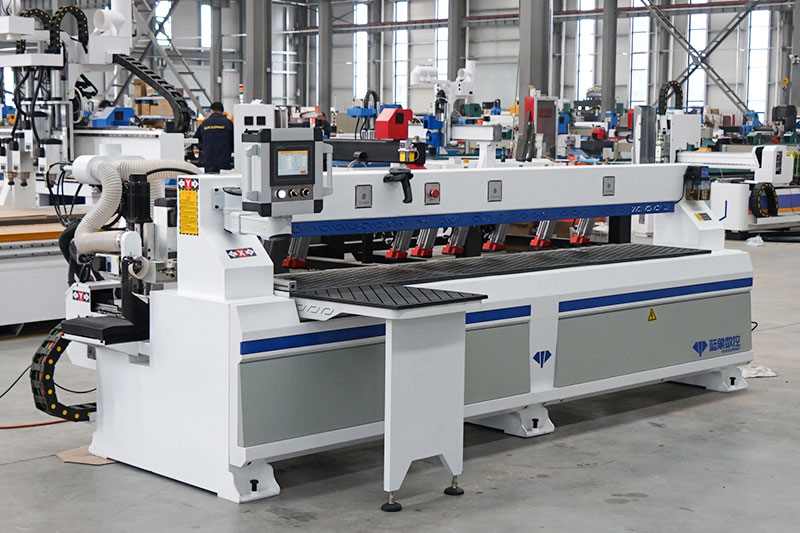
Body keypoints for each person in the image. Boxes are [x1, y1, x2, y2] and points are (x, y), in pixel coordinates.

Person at [194, 101, 234, 173]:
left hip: (208, 160)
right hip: (224, 160)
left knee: (209, 178)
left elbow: (195, 139)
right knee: (225, 179)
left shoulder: (205, 123)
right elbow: (234, 141)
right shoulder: (228, 123)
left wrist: (203, 147)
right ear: (222, 111)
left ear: (211, 110)